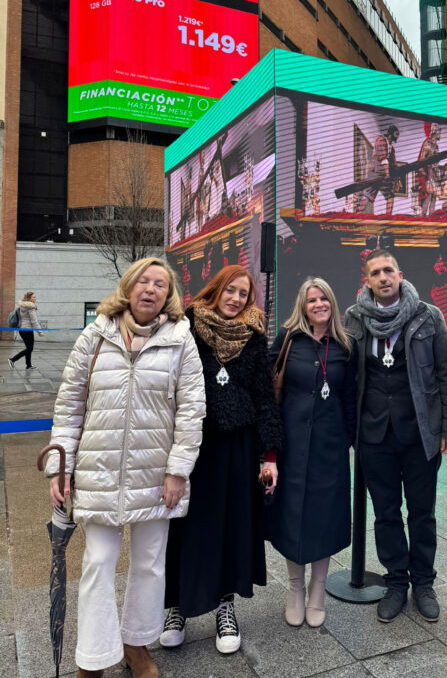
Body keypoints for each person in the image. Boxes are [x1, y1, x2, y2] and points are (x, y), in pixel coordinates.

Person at [44, 257, 205, 678]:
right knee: (98, 562)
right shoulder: (94, 335)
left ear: (169, 295)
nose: (151, 289)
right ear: (129, 287)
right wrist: (61, 468)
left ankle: (137, 646)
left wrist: (178, 471)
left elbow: (191, 412)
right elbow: (69, 405)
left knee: (150, 562)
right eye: (144, 282)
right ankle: (94, 658)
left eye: (161, 284)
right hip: (99, 468)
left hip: (156, 473)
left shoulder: (180, 339)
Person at [160, 266, 283, 655]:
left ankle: (225, 607)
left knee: (231, 524)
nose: (235, 299)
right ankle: (176, 606)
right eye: (230, 290)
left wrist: (269, 455)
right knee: (184, 525)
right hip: (194, 445)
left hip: (237, 447)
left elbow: (265, 397)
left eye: (243, 294)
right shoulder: (187, 328)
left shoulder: (254, 336)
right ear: (215, 290)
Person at [344, 249, 447, 623]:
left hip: (420, 433)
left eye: (388, 270)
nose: (383, 277)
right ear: (367, 280)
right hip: (374, 435)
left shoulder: (428, 316)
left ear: (400, 274)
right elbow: (349, 379)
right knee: (386, 514)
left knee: (423, 513)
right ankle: (396, 583)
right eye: (376, 272)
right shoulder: (354, 319)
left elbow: (445, 375)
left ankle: (423, 583)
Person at [267, 278, 357, 628]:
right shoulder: (288, 340)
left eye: (324, 298)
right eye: (311, 300)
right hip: (291, 445)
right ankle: (295, 590)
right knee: (292, 517)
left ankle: (317, 589)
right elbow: (270, 391)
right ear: (302, 307)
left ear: (332, 303)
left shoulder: (346, 346)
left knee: (324, 517)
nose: (318, 304)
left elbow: (350, 397)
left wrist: (347, 438)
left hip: (330, 448)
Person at [359, 125, 400, 215]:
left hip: (383, 174)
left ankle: (388, 216)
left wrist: (395, 175)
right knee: (368, 194)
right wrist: (387, 173)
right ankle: (358, 214)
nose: (397, 136)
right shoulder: (381, 141)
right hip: (376, 172)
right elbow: (383, 158)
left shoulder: (391, 147)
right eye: (396, 134)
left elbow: (393, 161)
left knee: (389, 195)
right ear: (391, 133)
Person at [8, 291, 44, 370]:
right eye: (33, 297)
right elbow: (34, 321)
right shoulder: (31, 307)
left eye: (35, 297)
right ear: (29, 299)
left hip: (22, 330)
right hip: (28, 330)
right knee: (29, 348)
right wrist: (40, 332)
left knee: (29, 348)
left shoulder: (22, 306)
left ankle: (28, 365)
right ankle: (12, 359)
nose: (35, 298)